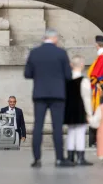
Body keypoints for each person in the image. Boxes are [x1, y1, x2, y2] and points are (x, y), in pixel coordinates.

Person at [24, 28, 73, 168]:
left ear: (43, 38)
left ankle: (37, 159)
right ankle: (59, 159)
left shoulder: (34, 52)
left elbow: (27, 74)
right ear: (55, 38)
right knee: (57, 127)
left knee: (38, 126)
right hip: (57, 94)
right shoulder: (61, 53)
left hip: (39, 93)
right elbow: (68, 76)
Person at [64, 55, 93, 166]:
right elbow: (86, 98)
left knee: (71, 132)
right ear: (82, 65)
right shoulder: (84, 80)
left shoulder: (67, 79)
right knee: (80, 133)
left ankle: (70, 156)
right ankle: (80, 157)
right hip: (80, 109)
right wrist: (89, 113)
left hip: (69, 109)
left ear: (71, 65)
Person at [87, 35, 103, 147]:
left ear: (98, 45)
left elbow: (95, 75)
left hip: (97, 91)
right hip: (98, 89)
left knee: (95, 116)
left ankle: (95, 141)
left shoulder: (102, 58)